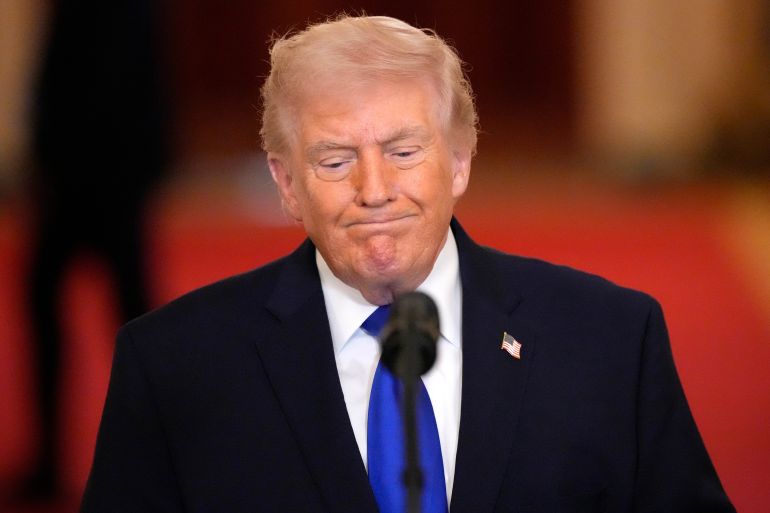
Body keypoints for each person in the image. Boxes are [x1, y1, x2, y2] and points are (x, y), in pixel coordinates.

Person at [81, 14, 735, 513]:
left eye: (403, 151)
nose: (374, 189)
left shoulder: (613, 339)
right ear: (284, 183)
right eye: (334, 159)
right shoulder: (171, 365)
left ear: (460, 159)